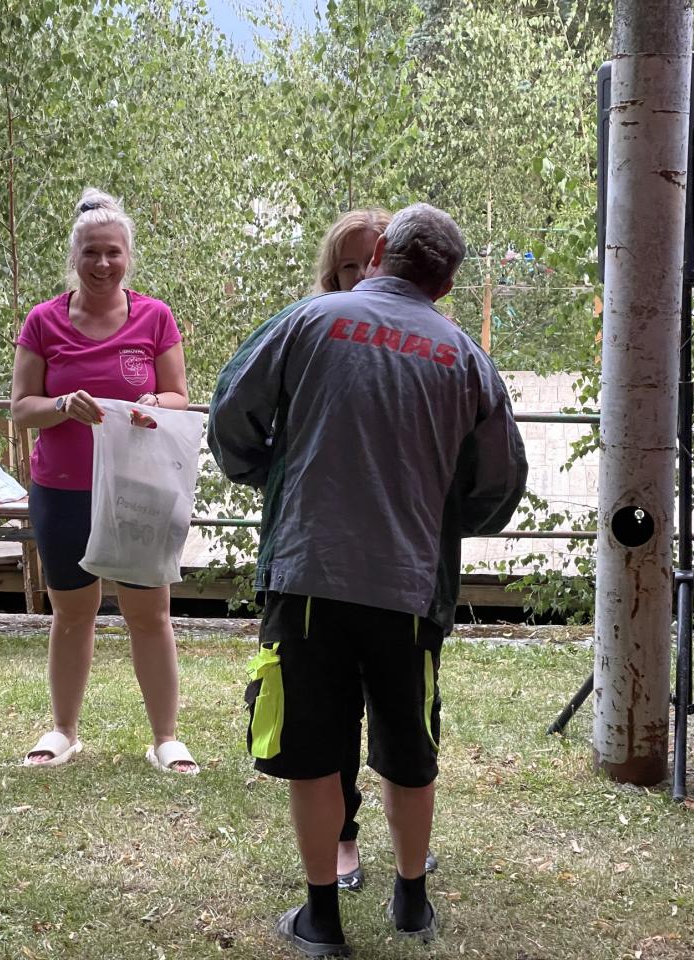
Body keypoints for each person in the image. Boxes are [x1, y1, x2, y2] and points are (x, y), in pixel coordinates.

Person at [208, 203, 527, 956]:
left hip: (308, 575)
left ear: (380, 250)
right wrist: (439, 517)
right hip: (410, 589)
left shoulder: (307, 322)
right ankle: (412, 900)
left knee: (313, 748)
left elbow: (230, 412)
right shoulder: (467, 360)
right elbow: (500, 484)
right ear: (446, 286)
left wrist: (271, 475)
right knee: (409, 743)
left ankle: (321, 917)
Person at [11, 187, 198, 775]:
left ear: (128, 257)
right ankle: (63, 731)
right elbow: (21, 407)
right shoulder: (43, 321)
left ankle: (165, 739)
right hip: (63, 489)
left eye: (113, 252)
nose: (102, 263)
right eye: (91, 252)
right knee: (72, 612)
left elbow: (179, 396)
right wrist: (62, 404)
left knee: (150, 613)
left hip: (138, 488)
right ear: (75, 256)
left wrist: (153, 405)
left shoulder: (155, 317)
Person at [310, 207, 438, 893]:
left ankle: (409, 848)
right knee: (327, 719)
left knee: (406, 717)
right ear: (333, 276)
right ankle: (341, 839)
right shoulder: (309, 333)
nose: (364, 277)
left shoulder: (438, 346)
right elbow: (248, 434)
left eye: (374, 263)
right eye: (350, 266)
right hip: (324, 565)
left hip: (407, 569)